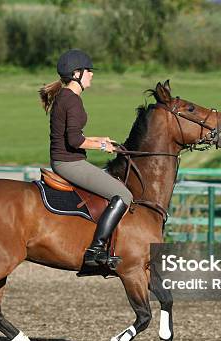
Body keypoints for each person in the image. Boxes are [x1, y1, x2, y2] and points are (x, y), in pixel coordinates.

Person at [39, 49, 133, 270]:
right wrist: (101, 146)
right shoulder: (71, 100)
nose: (92, 75)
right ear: (77, 74)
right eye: (89, 71)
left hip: (66, 159)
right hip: (69, 163)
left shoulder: (66, 97)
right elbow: (74, 141)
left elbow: (74, 135)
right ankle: (95, 250)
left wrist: (100, 139)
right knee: (123, 194)